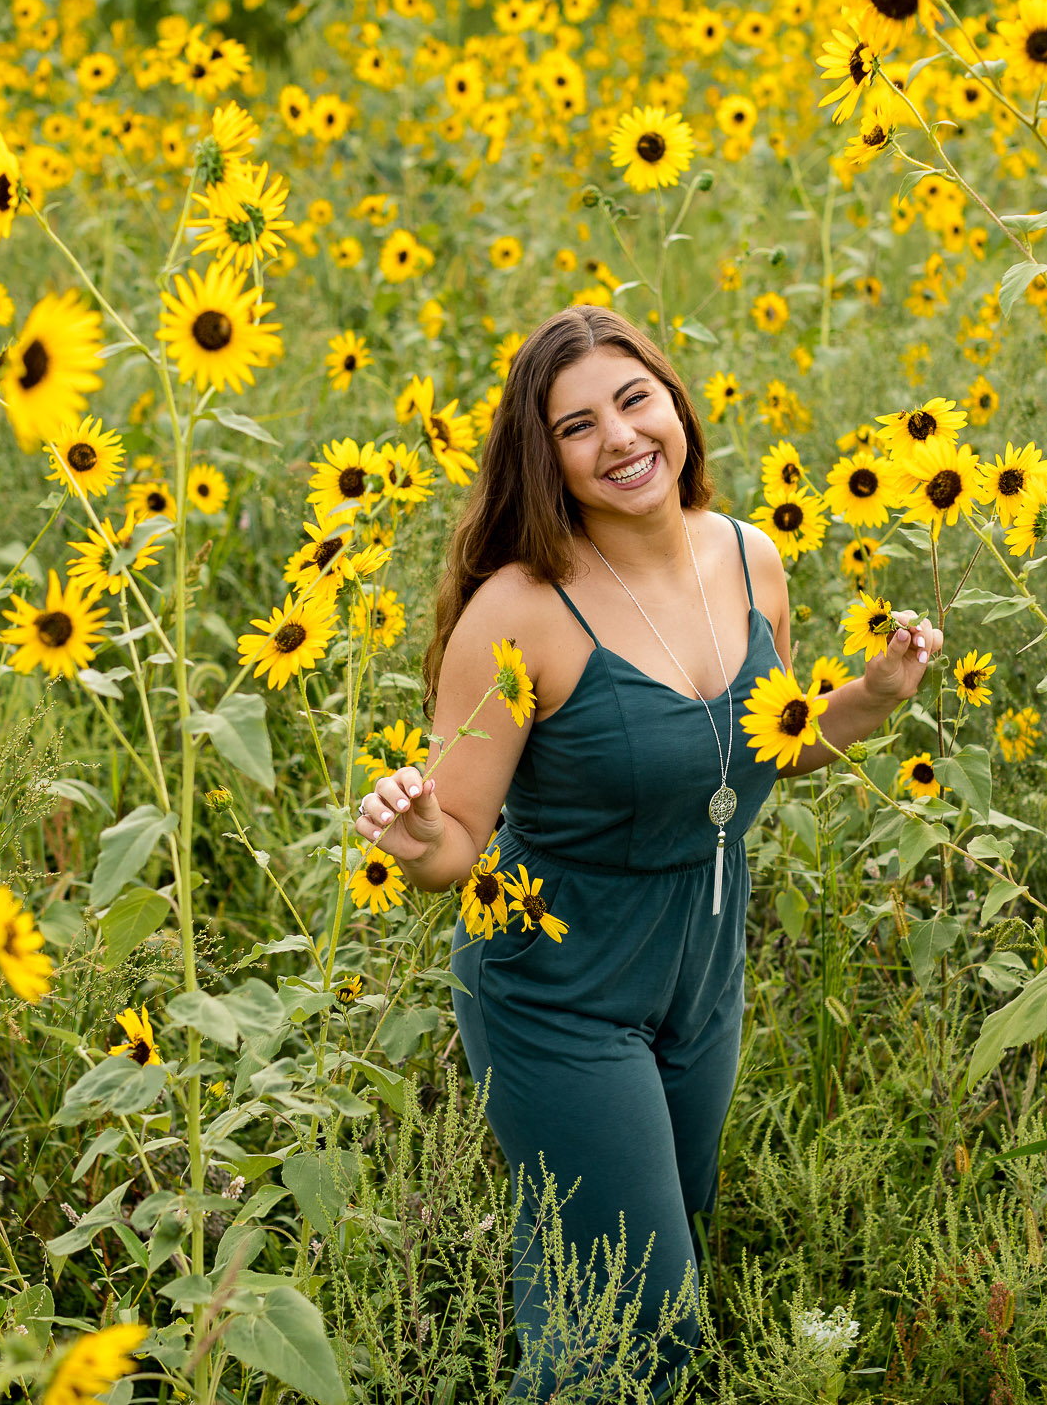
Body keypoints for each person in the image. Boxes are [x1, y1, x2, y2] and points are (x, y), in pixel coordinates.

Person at [352, 305, 945, 1399]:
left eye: (633, 401)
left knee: (613, 1274)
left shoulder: (749, 557)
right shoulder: (519, 612)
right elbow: (457, 845)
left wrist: (869, 697)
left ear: (674, 403)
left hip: (704, 971)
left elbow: (759, 747)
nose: (620, 438)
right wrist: (421, 832)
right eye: (577, 426)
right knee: (633, 1326)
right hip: (559, 987)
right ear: (549, 461)